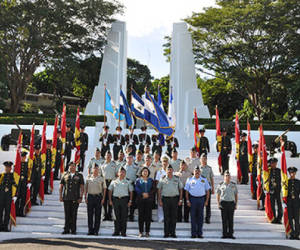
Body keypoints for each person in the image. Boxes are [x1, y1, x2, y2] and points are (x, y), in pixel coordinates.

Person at [157, 164, 183, 238]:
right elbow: (159, 190)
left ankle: (173, 233)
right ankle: (166, 233)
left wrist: (180, 199)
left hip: (174, 199)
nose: (169, 171)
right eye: (168, 170)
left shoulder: (177, 179)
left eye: (171, 169)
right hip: (165, 199)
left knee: (173, 217)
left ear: (173, 171)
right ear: (166, 171)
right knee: (166, 217)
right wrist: (159, 200)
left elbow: (181, 189)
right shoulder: (162, 179)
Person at [185, 166, 210, 238]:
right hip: (192, 199)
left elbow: (207, 191)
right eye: (196, 171)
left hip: (201, 199)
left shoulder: (204, 180)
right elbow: (186, 191)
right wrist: (187, 200)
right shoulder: (189, 179)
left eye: (198, 171)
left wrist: (206, 201)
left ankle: (199, 233)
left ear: (200, 172)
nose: (197, 172)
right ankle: (193, 234)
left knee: (200, 217)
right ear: (193, 171)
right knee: (193, 217)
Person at [59, 161, 84, 235]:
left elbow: (82, 187)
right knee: (67, 214)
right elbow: (61, 186)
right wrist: (60, 196)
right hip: (66, 197)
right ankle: (66, 229)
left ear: (75, 167)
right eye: (70, 166)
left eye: (73, 166)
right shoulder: (65, 174)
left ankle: (73, 230)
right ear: (69, 166)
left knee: (74, 214)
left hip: (75, 198)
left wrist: (81, 197)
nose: (72, 167)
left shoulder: (79, 175)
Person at [108, 167, 133, 237]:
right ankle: (116, 231)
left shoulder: (128, 181)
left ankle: (123, 232)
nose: (121, 173)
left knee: (124, 217)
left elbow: (131, 192)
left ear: (125, 173)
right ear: (118, 173)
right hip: (116, 200)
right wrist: (110, 200)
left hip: (124, 200)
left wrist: (130, 201)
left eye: (123, 172)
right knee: (116, 216)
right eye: (120, 172)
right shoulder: (114, 181)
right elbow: (110, 191)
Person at [84, 164, 106, 235]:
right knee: (90, 215)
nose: (95, 170)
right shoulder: (88, 177)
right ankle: (90, 230)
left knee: (98, 215)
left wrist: (103, 198)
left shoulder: (101, 178)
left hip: (98, 197)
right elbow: (86, 187)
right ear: (92, 169)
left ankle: (96, 230)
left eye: (97, 168)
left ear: (98, 169)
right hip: (90, 197)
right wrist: (85, 196)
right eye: (94, 168)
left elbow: (104, 188)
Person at [216, 170, 238, 239]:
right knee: (224, 220)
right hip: (223, 203)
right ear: (224, 177)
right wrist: (218, 203)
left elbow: (236, 195)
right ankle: (224, 234)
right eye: (226, 176)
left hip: (231, 203)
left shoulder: (233, 185)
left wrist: (236, 204)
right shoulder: (220, 185)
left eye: (228, 176)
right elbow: (218, 195)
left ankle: (230, 234)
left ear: (230, 177)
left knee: (231, 220)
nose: (227, 177)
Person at [135, 167, 155, 237]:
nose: (145, 172)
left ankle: (147, 232)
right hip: (141, 199)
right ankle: (140, 231)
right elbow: (136, 188)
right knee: (141, 216)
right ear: (141, 172)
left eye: (146, 171)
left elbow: (153, 189)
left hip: (149, 200)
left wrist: (148, 194)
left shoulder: (151, 180)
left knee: (148, 216)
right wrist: (142, 193)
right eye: (144, 171)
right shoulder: (138, 180)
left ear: (148, 173)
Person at [0, 161, 17, 232]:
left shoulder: (13, 176)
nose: (7, 168)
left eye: (9, 167)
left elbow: (16, 186)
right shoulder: (1, 175)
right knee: (0, 212)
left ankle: (5, 227)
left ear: (11, 168)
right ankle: (0, 226)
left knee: (7, 212)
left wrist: (15, 195)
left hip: (9, 197)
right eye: (6, 167)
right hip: (1, 197)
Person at [100, 151, 117, 221]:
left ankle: (109, 215)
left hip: (112, 182)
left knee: (110, 199)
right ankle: (105, 214)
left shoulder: (114, 164)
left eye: (110, 155)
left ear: (111, 156)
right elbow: (100, 174)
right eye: (107, 155)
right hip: (104, 182)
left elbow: (116, 174)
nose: (108, 157)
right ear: (105, 156)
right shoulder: (102, 164)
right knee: (104, 199)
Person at [199, 153, 215, 224]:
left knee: (208, 203)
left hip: (207, 186)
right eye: (202, 159)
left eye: (205, 159)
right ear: (200, 160)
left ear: (206, 160)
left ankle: (207, 218)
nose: (203, 160)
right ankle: (201, 217)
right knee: (201, 203)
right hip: (200, 186)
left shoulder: (209, 168)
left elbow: (211, 178)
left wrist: (213, 188)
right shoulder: (198, 168)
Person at [124, 154, 139, 221]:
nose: (129, 159)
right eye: (128, 157)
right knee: (126, 200)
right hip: (125, 185)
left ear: (133, 159)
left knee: (132, 201)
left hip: (133, 185)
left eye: (131, 157)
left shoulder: (136, 167)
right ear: (126, 158)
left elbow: (138, 176)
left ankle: (131, 215)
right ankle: (125, 214)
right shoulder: (123, 167)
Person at [287, 166, 300, 240]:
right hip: (289, 203)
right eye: (291, 172)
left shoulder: (298, 182)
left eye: (293, 172)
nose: (292, 174)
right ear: (289, 173)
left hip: (296, 203)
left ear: (295, 173)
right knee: (290, 219)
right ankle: (292, 233)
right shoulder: (287, 182)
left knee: (297, 219)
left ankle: (297, 234)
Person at [155, 155, 168, 222]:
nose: (165, 163)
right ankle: (160, 218)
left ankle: (166, 218)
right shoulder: (159, 172)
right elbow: (157, 182)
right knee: (160, 204)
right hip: (161, 190)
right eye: (163, 161)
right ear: (162, 162)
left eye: (166, 161)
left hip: (168, 190)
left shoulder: (170, 171)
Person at [269, 158, 282, 224]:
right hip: (271, 190)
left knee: (279, 205)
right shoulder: (268, 171)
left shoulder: (279, 171)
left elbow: (281, 180)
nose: (273, 164)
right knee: (272, 205)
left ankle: (279, 218)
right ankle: (273, 217)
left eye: (274, 163)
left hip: (277, 190)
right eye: (272, 163)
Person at [16, 152, 29, 216]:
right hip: (18, 184)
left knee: (23, 198)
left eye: (24, 157)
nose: (23, 158)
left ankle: (21, 212)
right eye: (22, 157)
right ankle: (16, 212)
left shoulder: (27, 164)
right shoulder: (17, 165)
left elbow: (28, 174)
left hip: (24, 183)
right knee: (17, 198)